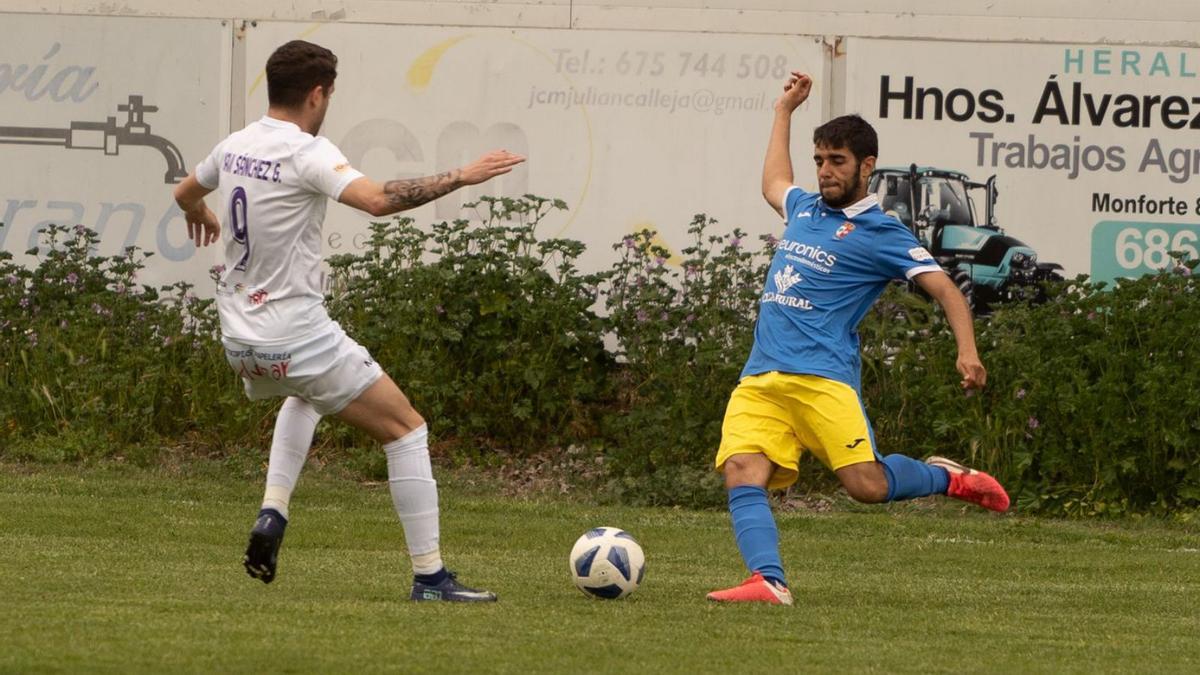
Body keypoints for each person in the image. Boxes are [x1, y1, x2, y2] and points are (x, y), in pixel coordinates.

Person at [172, 40, 525, 602]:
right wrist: (462, 175)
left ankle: (272, 512)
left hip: (240, 339)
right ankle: (431, 578)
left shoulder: (236, 144)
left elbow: (184, 191)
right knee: (406, 428)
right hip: (294, 333)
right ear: (318, 94)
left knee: (306, 394)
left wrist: (199, 212)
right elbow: (378, 201)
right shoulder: (306, 151)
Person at [706, 72, 1009, 606]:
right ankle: (768, 581)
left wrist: (968, 350)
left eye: (837, 161)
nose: (825, 171)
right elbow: (774, 183)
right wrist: (783, 112)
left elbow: (947, 291)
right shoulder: (804, 209)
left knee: (866, 488)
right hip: (762, 377)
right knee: (741, 470)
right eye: (820, 159)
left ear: (866, 166)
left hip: (824, 380)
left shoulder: (883, 233)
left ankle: (945, 478)